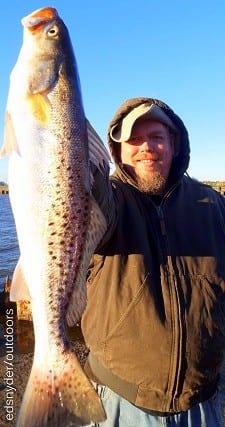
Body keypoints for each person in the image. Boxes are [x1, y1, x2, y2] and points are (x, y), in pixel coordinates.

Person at [81, 97, 225, 426]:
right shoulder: (109, 202)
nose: (147, 147)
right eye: (134, 139)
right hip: (120, 403)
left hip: (203, 404)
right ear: (117, 150)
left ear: (174, 144)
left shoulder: (213, 205)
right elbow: (92, 212)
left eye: (156, 137)